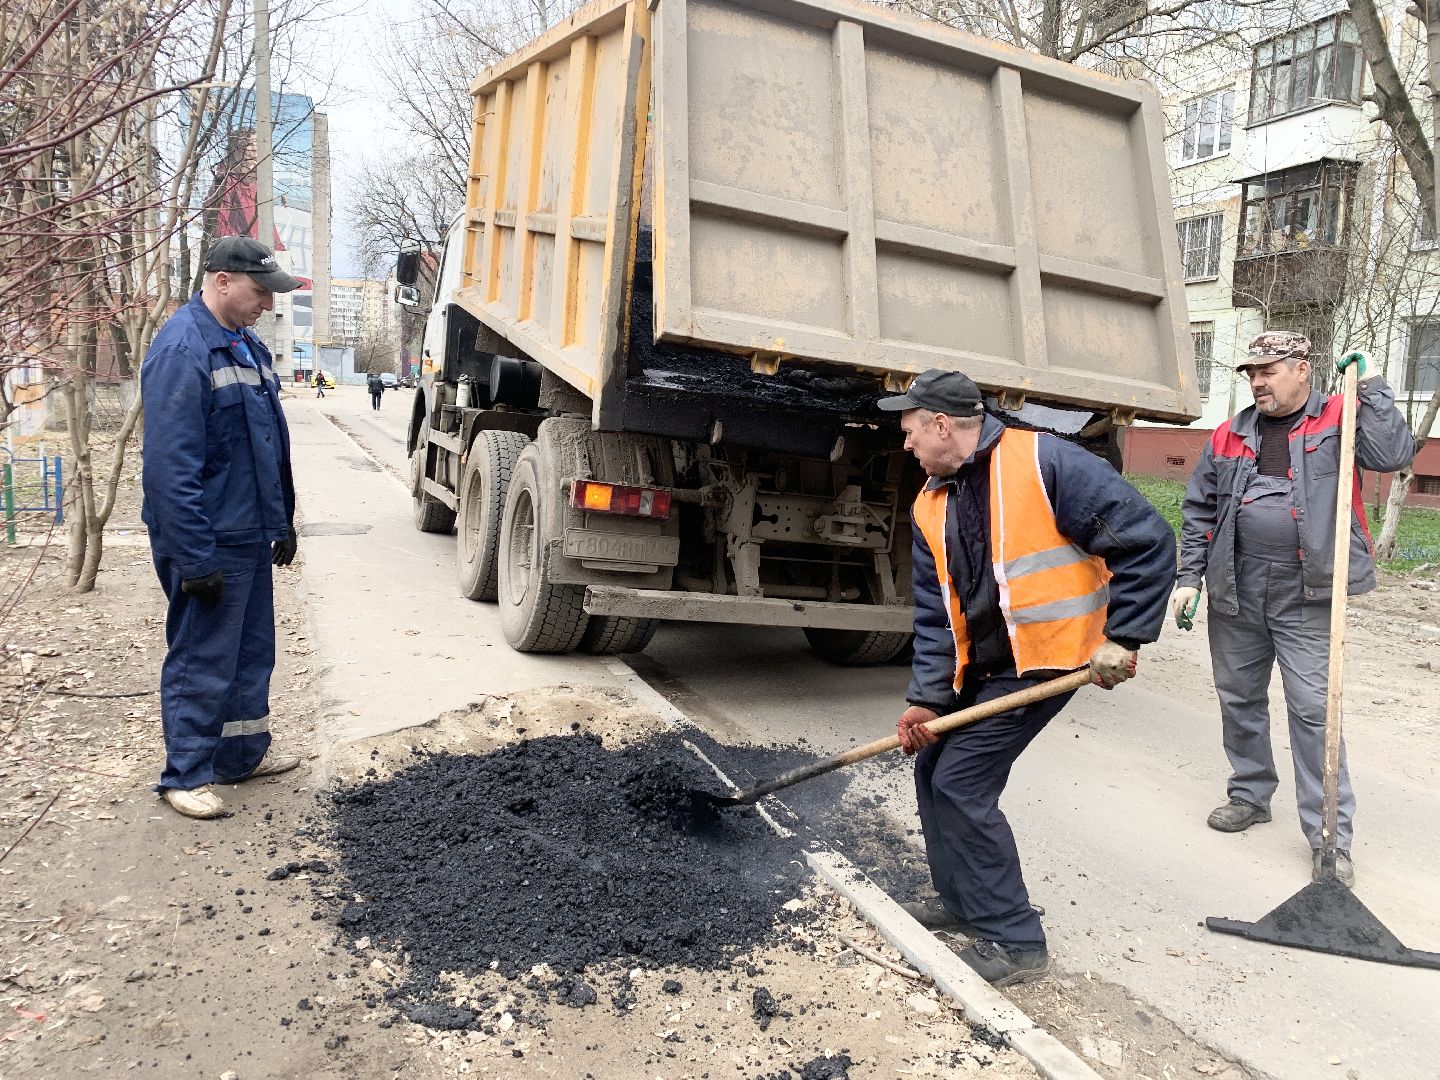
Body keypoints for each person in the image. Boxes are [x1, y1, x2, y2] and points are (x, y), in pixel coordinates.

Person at [881, 369, 1175, 986]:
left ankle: (1015, 940)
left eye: (909, 430)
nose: (904, 445)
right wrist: (928, 701)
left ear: (940, 424)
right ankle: (963, 902)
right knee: (934, 767)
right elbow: (936, 613)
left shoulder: (1047, 463)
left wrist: (1123, 638)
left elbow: (1148, 541)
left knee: (962, 783)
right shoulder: (930, 501)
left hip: (1049, 657)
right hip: (984, 663)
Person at [1173, 332, 1416, 888]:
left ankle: (1330, 835)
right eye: (1250, 372)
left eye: (1268, 370)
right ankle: (1251, 793)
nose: (1257, 381)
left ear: (1302, 369)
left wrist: (1374, 386)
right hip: (1236, 584)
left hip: (1308, 591)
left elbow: (1394, 455)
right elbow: (1200, 508)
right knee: (1239, 697)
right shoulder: (1230, 433)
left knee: (1313, 709)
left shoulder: (1339, 417)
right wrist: (1189, 577)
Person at [140, 235, 303, 820]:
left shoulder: (245, 347)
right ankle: (185, 774)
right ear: (220, 280)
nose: (267, 303)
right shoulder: (184, 350)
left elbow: (268, 444)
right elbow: (168, 470)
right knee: (202, 657)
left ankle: (238, 757)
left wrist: (281, 522)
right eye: (260, 291)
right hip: (208, 537)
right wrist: (194, 558)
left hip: (249, 531)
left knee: (251, 654)